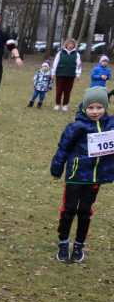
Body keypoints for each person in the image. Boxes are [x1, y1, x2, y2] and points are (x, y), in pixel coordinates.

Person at [50, 87, 114, 262]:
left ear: (106, 107)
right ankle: (63, 242)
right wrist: (56, 169)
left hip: (96, 178)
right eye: (91, 107)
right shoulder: (76, 127)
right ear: (84, 107)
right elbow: (63, 149)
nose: (95, 112)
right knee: (69, 210)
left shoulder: (111, 125)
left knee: (85, 212)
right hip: (76, 176)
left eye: (99, 107)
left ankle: (79, 244)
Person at [51, 39, 81, 111]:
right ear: (66, 44)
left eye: (72, 44)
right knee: (59, 90)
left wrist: (78, 74)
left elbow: (78, 65)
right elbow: (55, 63)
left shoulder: (76, 54)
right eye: (69, 44)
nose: (70, 45)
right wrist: (53, 72)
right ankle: (57, 104)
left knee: (67, 90)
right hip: (60, 73)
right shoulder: (60, 53)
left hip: (70, 75)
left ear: (74, 45)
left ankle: (65, 105)